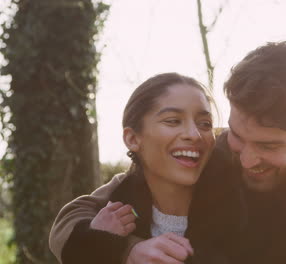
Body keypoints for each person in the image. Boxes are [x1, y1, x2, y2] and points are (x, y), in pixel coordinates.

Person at [50, 41, 286, 263]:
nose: (247, 159)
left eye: (268, 146)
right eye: (237, 135)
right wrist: (126, 251)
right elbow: (80, 214)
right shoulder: (206, 151)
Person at [49, 72, 244, 264]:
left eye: (205, 124)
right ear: (133, 139)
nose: (194, 134)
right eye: (173, 121)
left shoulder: (239, 186)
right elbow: (67, 223)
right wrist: (126, 250)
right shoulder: (123, 194)